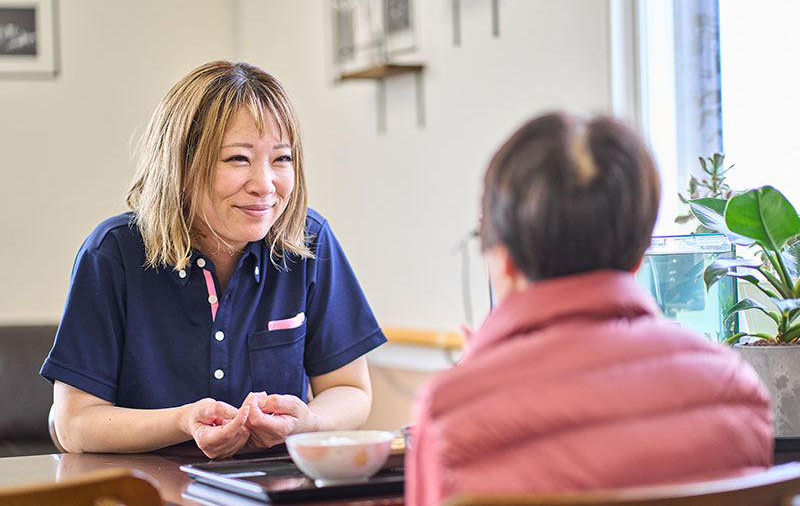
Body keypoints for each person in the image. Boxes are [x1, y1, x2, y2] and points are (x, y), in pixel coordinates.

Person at [405, 113, 773, 505]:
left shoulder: (451, 415)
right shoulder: (735, 388)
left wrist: (479, 373)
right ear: (637, 257)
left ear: (503, 259)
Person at [40, 61, 386, 459]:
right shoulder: (112, 255)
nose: (265, 185)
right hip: (144, 491)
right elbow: (74, 423)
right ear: (181, 166)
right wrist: (182, 421)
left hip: (274, 489)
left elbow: (351, 390)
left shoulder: (308, 242)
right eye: (238, 159)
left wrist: (309, 422)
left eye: (282, 159)